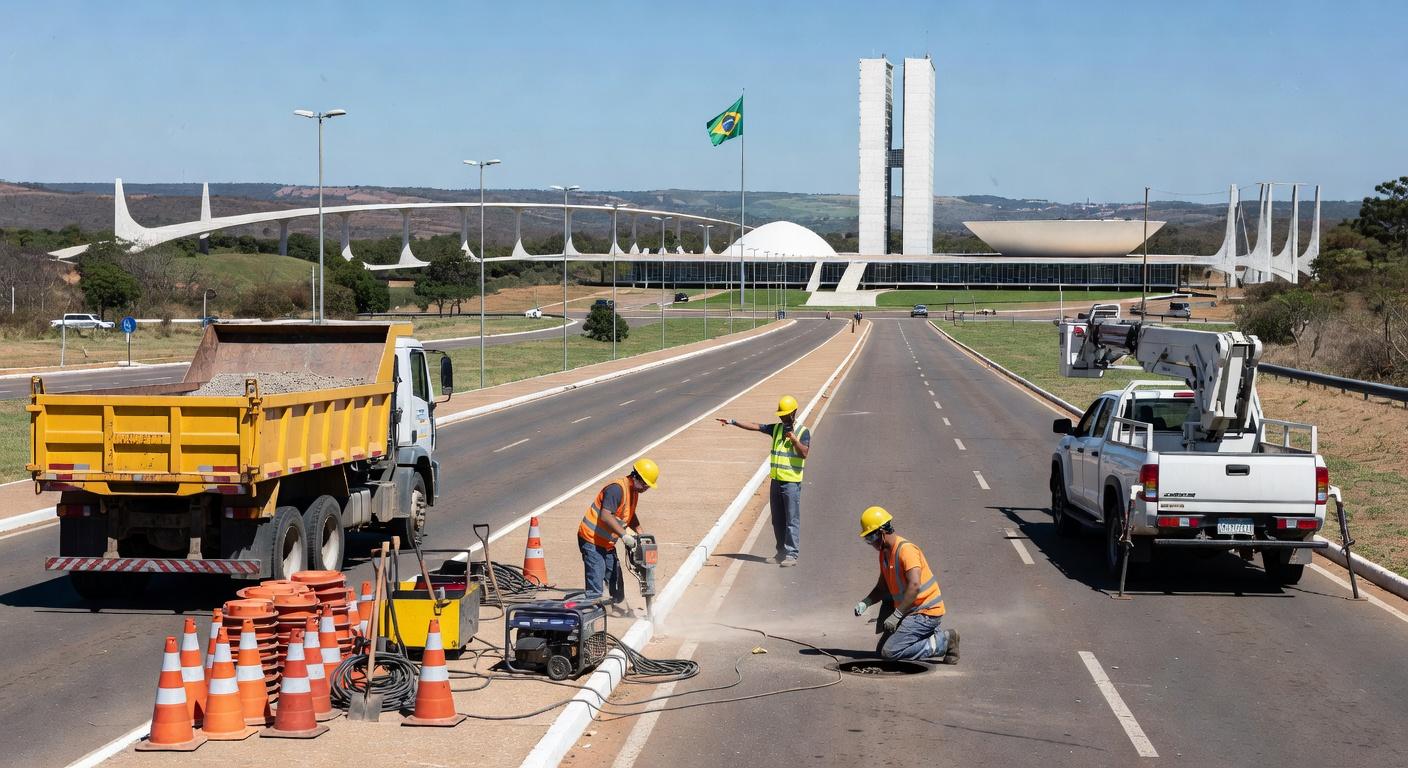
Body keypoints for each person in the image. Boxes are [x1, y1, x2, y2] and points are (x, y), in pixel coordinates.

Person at [853, 506, 959, 663]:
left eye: (871, 538)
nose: (871, 544)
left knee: (890, 652)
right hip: (909, 612)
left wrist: (897, 615)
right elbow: (882, 587)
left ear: (881, 532)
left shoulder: (906, 550)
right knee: (880, 651)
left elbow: (914, 586)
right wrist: (865, 602)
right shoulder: (884, 554)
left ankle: (944, 641)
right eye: (867, 540)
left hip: (925, 613)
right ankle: (930, 635)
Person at [716, 395, 810, 566]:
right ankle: (780, 552)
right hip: (776, 480)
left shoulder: (803, 432)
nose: (783, 417)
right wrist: (733, 421)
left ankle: (792, 554)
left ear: (794, 413)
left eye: (786, 414)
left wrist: (794, 439)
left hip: (791, 483)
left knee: (791, 519)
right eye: (781, 415)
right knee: (777, 519)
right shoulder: (776, 429)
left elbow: (804, 453)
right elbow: (755, 426)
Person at [578, 458, 659, 612]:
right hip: (591, 540)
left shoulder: (634, 492)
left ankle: (608, 607)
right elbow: (605, 516)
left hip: (607, 543)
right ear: (636, 477)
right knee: (596, 585)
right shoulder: (616, 489)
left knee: (617, 589)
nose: (645, 489)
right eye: (645, 485)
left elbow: (629, 514)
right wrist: (624, 535)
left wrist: (640, 533)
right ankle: (592, 618)